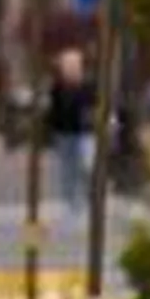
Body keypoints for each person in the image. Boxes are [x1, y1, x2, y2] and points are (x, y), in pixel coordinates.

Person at [46, 47, 96, 216]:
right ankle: (71, 203)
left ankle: (90, 198)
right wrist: (51, 132)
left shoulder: (88, 84)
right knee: (68, 169)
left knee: (87, 165)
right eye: (67, 64)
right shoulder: (57, 87)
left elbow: (95, 106)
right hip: (64, 134)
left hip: (85, 133)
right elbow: (53, 111)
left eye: (74, 64)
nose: (70, 68)